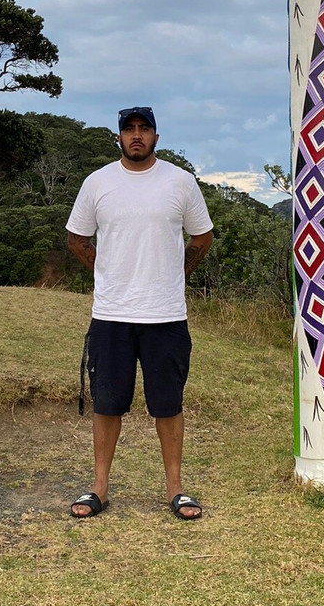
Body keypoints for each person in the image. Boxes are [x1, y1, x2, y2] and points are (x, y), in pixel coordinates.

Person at [65, 106, 214, 520]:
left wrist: (175, 272)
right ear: (118, 138)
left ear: (155, 137)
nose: (136, 136)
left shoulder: (179, 182)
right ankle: (98, 487)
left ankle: (176, 489)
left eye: (143, 129)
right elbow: (77, 238)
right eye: (128, 130)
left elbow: (202, 235)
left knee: (167, 403)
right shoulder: (98, 183)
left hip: (165, 315)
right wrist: (107, 270)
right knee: (107, 403)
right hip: (112, 314)